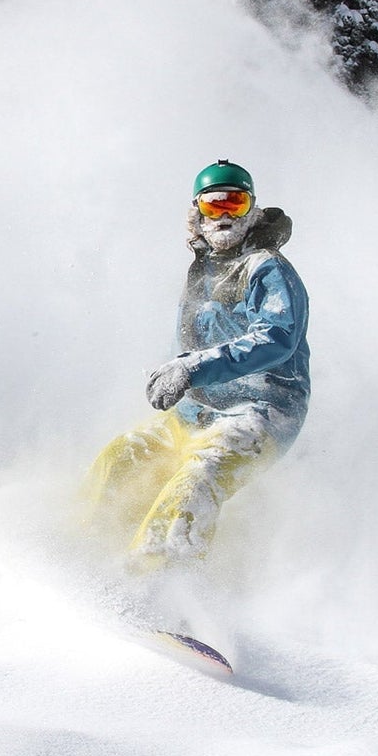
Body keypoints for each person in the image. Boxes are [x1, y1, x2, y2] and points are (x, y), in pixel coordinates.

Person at [85, 159, 309, 566]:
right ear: (197, 214)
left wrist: (192, 368)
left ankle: (162, 584)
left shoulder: (267, 269)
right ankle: (93, 552)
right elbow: (188, 339)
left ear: (252, 212)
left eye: (235, 205)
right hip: (197, 413)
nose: (224, 218)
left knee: (196, 481)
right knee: (121, 458)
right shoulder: (202, 269)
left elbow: (277, 337)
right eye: (213, 206)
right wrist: (169, 371)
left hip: (260, 413)